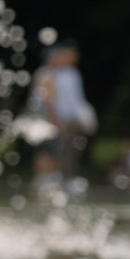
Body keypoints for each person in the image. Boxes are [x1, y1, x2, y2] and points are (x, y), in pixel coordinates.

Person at [29, 40, 96, 201]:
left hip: (64, 121)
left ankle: (53, 183)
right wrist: (56, 120)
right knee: (47, 150)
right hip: (47, 120)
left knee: (59, 150)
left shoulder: (70, 74)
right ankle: (44, 182)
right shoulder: (47, 73)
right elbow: (48, 100)